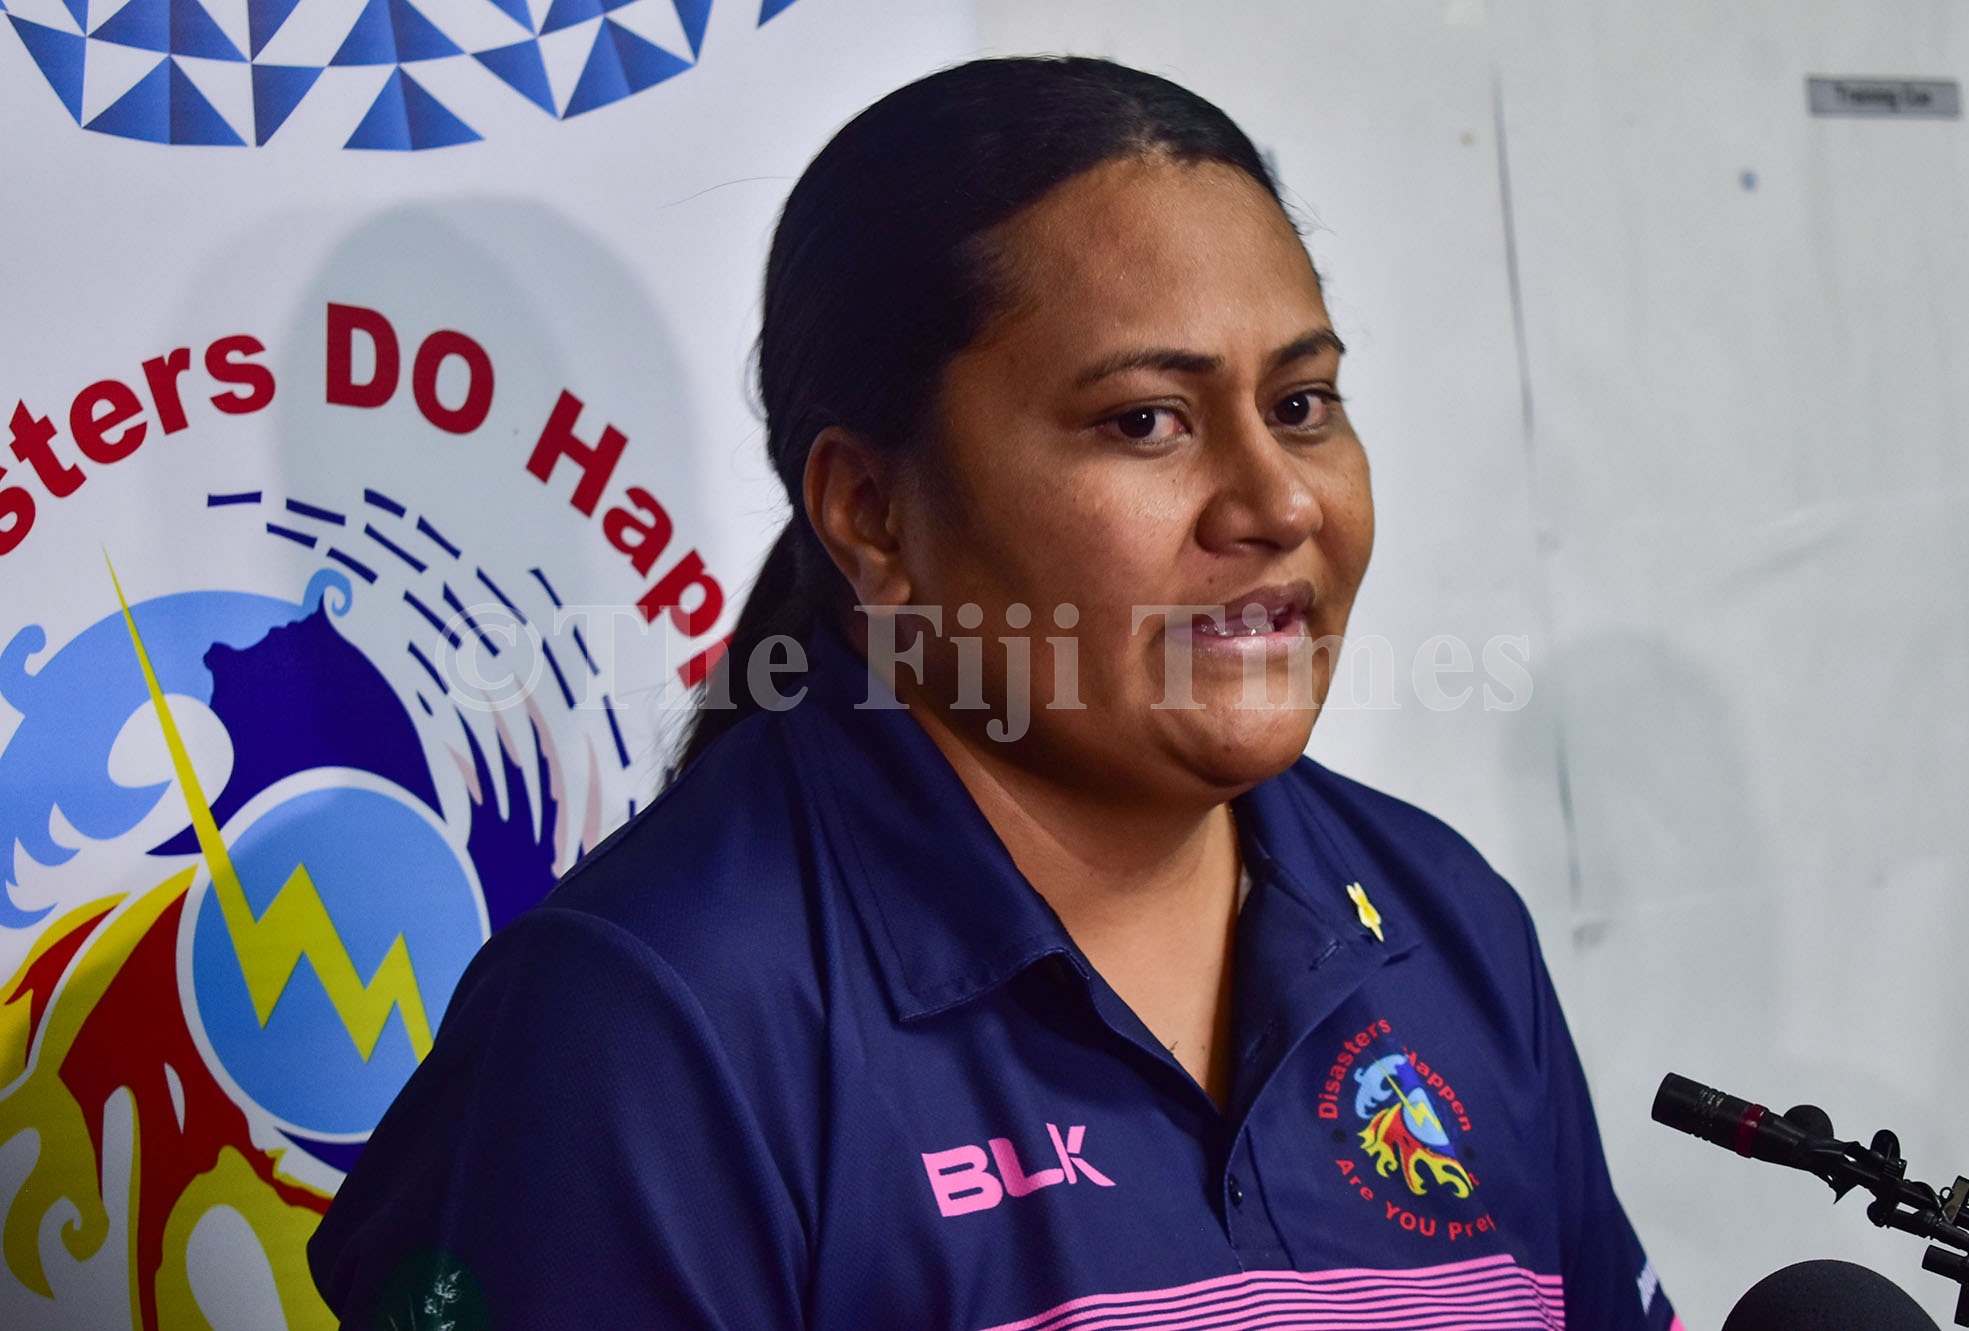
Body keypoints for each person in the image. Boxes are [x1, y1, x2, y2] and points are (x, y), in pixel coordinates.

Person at [309, 56, 1682, 1331]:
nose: (1277, 504)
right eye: (1146, 420)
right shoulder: (647, 1026)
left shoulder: (1444, 923)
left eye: (1302, 405)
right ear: (871, 512)